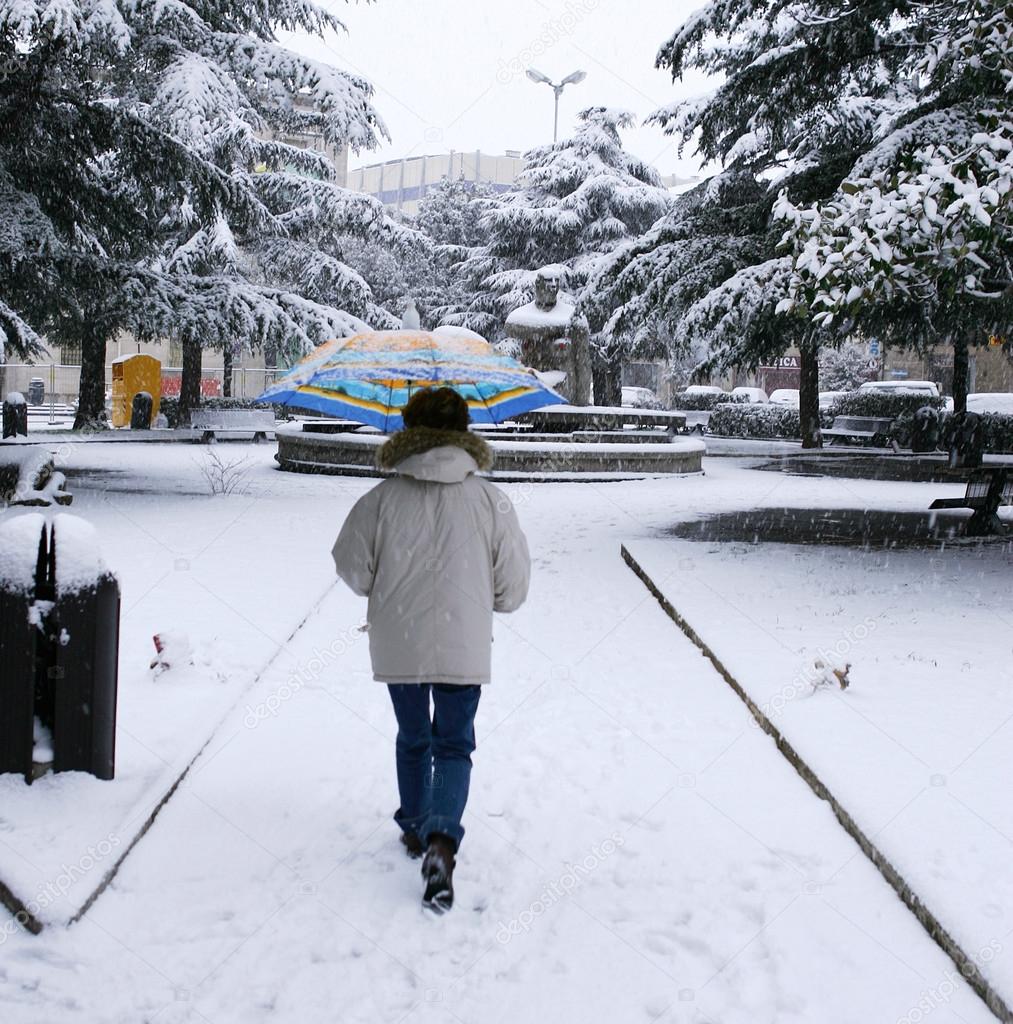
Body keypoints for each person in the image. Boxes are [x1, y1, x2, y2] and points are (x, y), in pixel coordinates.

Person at [331, 387, 531, 912]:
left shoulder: (380, 500)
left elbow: (352, 568)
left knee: (414, 736)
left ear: (408, 431)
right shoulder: (491, 501)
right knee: (455, 745)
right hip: (464, 641)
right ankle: (442, 839)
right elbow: (513, 586)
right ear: (465, 431)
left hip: (399, 639)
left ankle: (416, 826)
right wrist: (490, 602)